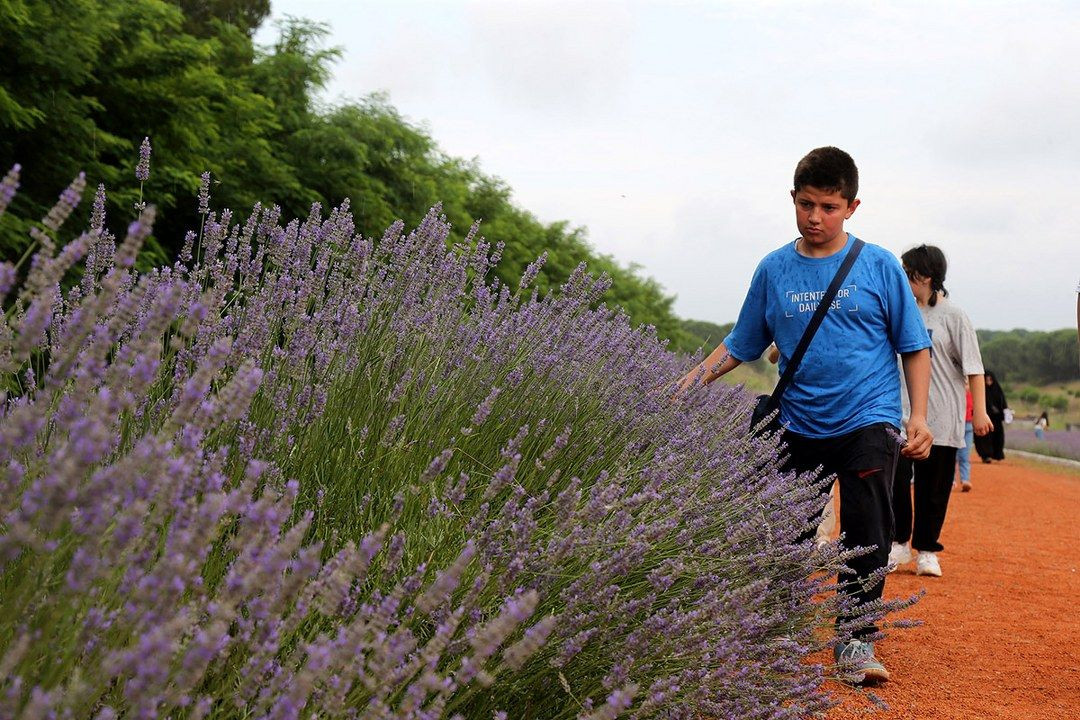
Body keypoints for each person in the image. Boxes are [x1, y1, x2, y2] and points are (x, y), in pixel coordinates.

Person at [677, 147, 932, 685]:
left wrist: (920, 416)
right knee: (784, 533)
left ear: (852, 206)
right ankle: (780, 633)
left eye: (830, 207)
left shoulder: (880, 264)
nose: (816, 218)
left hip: (869, 416)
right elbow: (744, 341)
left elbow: (913, 344)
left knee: (867, 532)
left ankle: (855, 644)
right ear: (792, 200)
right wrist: (693, 379)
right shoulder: (773, 269)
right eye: (806, 204)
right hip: (797, 421)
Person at [887, 245, 992, 579]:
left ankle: (927, 551)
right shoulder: (902, 312)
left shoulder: (954, 317)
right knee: (896, 482)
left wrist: (980, 413)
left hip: (944, 416)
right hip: (902, 414)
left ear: (926, 277)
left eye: (908, 272)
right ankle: (899, 542)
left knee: (935, 488)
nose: (903, 278)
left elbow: (974, 369)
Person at [974, 371, 1008, 462]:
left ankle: (996, 454)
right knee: (984, 437)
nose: (988, 382)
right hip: (984, 418)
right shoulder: (982, 391)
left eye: (990, 380)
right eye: (986, 380)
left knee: (998, 438)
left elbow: (1003, 403)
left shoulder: (997, 390)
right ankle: (986, 455)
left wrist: (1005, 412)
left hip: (996, 419)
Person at [954, 382, 974, 492]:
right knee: (953, 454)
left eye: (967, 382)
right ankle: (951, 480)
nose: (966, 385)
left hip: (968, 426)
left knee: (965, 455)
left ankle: (965, 480)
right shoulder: (955, 393)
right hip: (956, 425)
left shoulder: (973, 395)